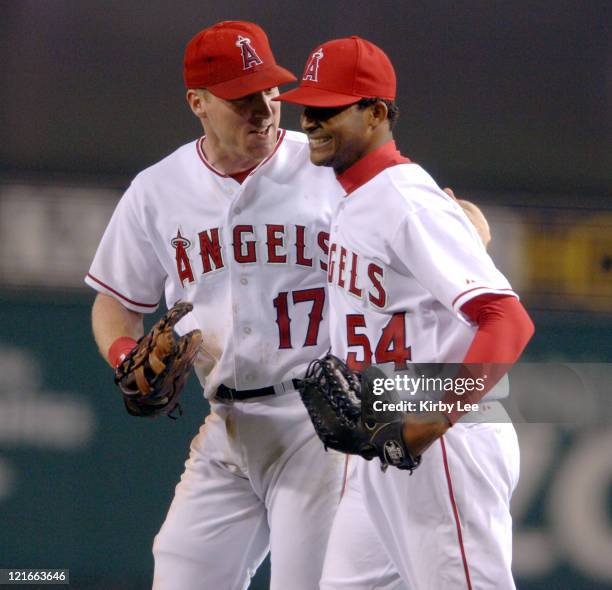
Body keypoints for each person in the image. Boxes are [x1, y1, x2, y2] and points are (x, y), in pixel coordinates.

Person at [86, 21, 495, 590]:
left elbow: (445, 216)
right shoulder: (157, 190)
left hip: (319, 421)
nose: (263, 108)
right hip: (226, 423)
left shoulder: (327, 160)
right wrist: (126, 352)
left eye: (270, 90)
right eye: (241, 98)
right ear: (197, 103)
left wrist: (468, 228)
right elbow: (113, 305)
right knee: (178, 571)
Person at [276, 36, 534, 589]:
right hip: (383, 435)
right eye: (308, 106)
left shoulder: (403, 200)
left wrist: (433, 419)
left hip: (441, 439)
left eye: (328, 108)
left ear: (375, 113)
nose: (311, 119)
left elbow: (508, 319)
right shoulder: (357, 193)